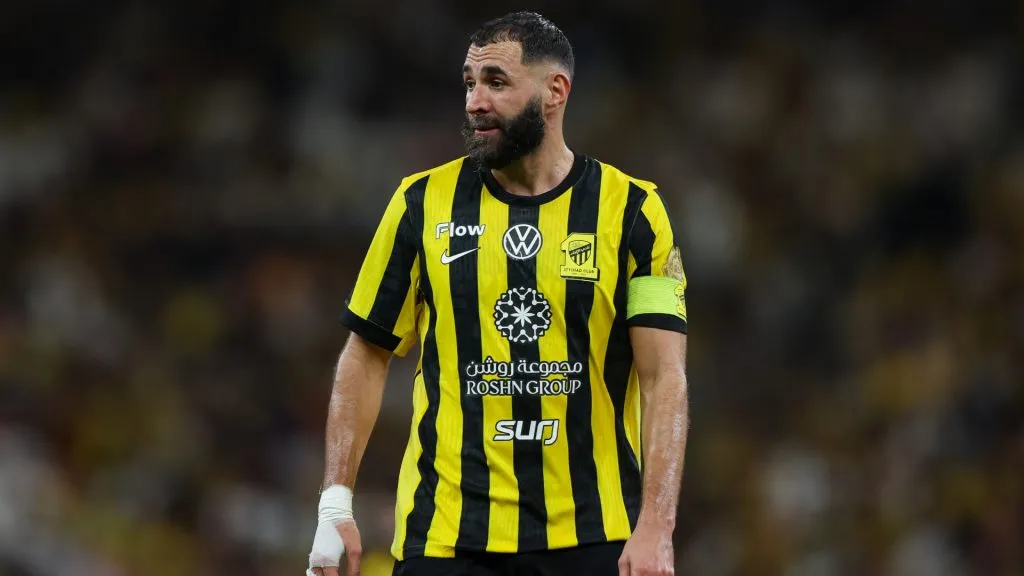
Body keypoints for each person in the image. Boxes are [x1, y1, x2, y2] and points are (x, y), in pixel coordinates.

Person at [307, 11, 689, 576]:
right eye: (469, 82)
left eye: (496, 81)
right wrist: (335, 503)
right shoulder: (420, 204)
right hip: (447, 536)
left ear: (555, 91)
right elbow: (365, 352)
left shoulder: (633, 211)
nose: (474, 101)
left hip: (595, 533)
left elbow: (664, 376)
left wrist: (656, 524)